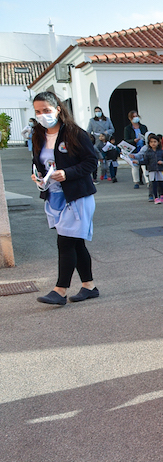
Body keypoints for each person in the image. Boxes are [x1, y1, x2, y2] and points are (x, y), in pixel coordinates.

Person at [29, 92, 100, 306]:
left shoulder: (74, 133)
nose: (43, 116)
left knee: (65, 241)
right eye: (38, 112)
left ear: (58, 109)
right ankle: (89, 286)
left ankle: (59, 290)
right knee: (76, 243)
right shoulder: (38, 135)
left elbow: (91, 162)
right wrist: (36, 175)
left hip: (77, 196)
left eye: (47, 111)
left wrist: (67, 173)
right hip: (54, 197)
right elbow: (37, 161)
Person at [87, 107, 114, 180]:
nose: (98, 113)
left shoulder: (107, 119)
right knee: (99, 157)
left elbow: (112, 129)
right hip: (97, 140)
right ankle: (97, 175)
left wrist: (106, 132)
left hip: (106, 140)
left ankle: (110, 175)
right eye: (96, 111)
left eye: (99, 111)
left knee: (108, 159)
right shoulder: (92, 121)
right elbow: (88, 131)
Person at [123, 111, 147, 189]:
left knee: (144, 165)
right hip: (134, 148)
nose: (136, 118)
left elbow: (147, 136)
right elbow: (126, 140)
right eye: (133, 117)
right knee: (135, 166)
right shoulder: (127, 128)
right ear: (130, 118)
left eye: (136, 116)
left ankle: (148, 181)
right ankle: (136, 181)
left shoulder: (143, 127)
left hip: (142, 147)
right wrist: (133, 140)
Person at [143, 135, 163, 204]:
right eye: (151, 142)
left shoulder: (161, 151)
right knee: (153, 184)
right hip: (152, 170)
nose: (153, 143)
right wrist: (137, 162)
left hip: (160, 169)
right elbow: (145, 161)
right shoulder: (147, 152)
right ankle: (156, 197)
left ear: (158, 142)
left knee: (161, 184)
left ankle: (162, 195)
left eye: (155, 142)